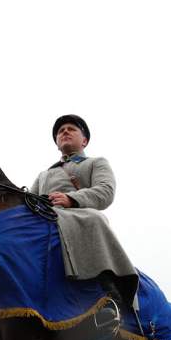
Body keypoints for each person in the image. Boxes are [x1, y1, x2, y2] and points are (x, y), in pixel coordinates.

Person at [30, 115, 130, 328]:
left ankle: (109, 298)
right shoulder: (43, 175)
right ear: (57, 143)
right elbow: (28, 201)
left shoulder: (96, 163)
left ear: (84, 141)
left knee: (94, 219)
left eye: (71, 129)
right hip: (45, 218)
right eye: (60, 131)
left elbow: (105, 192)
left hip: (78, 216)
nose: (64, 132)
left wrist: (71, 199)